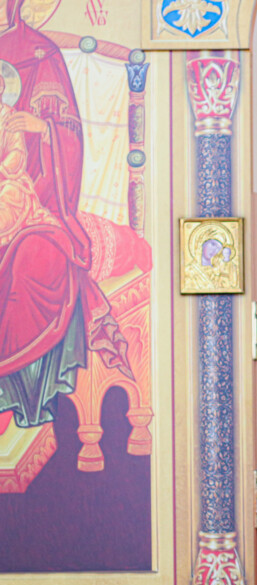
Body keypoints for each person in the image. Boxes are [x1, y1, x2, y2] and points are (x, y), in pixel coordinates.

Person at [0, 0, 131, 431]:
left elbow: (68, 136)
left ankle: (23, 396)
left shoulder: (41, 54)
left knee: (34, 263)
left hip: (35, 202)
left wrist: (41, 128)